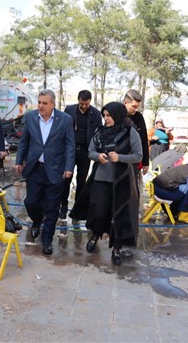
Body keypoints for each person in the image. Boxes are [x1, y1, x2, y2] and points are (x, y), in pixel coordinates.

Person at [70, 102, 142, 265]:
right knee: (98, 211)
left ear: (117, 115)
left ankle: (116, 248)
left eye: (109, 116)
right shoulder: (100, 131)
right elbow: (90, 151)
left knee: (119, 215)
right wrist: (97, 157)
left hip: (121, 181)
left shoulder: (130, 133)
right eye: (104, 115)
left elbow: (138, 156)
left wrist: (120, 158)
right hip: (100, 179)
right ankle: (95, 236)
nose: (106, 119)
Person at [15, 89, 75, 255]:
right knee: (31, 202)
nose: (41, 106)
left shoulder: (65, 119)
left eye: (44, 103)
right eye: (39, 102)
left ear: (53, 104)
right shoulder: (31, 117)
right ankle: (36, 221)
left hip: (56, 170)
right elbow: (24, 141)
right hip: (34, 169)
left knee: (52, 207)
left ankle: (47, 239)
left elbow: (70, 145)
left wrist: (69, 167)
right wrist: (19, 160)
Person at [60, 89, 102, 219]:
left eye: (86, 104)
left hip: (85, 152)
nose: (84, 106)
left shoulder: (95, 113)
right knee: (65, 179)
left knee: (81, 181)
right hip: (70, 150)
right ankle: (64, 206)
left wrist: (96, 151)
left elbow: (99, 133)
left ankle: (77, 208)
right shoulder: (70, 110)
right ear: (78, 100)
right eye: (82, 103)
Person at [123, 89, 149, 177]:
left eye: (137, 107)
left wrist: (146, 162)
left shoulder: (139, 117)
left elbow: (144, 139)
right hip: (117, 159)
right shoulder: (115, 115)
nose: (136, 109)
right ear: (125, 102)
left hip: (134, 160)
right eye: (133, 106)